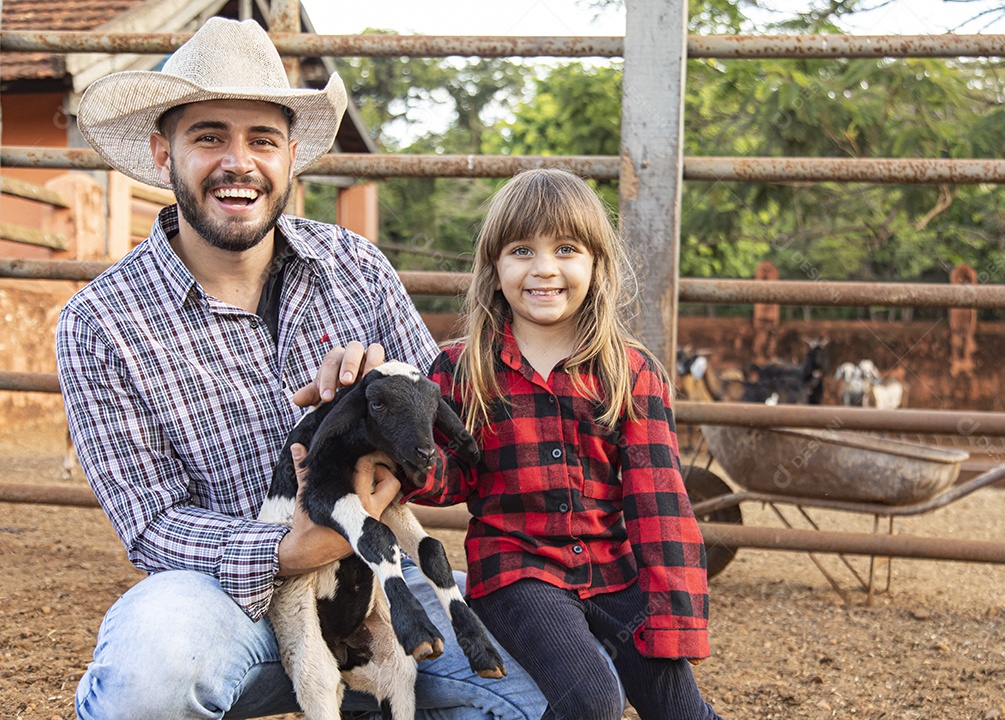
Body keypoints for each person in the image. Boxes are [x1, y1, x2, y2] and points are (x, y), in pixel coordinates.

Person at [58, 17, 557, 719]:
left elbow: (447, 447)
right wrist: (289, 546)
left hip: (379, 579)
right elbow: (151, 522)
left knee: (538, 696)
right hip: (224, 596)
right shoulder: (102, 322)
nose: (239, 163)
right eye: (208, 137)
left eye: (261, 140)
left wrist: (392, 416)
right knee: (149, 675)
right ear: (161, 153)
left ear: (290, 156)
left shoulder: (357, 267)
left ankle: (360, 691)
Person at [407, 168, 724, 720]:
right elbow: (453, 476)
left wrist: (671, 619)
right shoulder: (462, 368)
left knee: (680, 707)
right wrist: (405, 458)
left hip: (611, 568)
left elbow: (661, 505)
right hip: (517, 573)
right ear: (495, 267)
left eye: (567, 248)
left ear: (596, 263)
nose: (544, 268)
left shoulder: (631, 372)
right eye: (521, 250)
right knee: (592, 697)